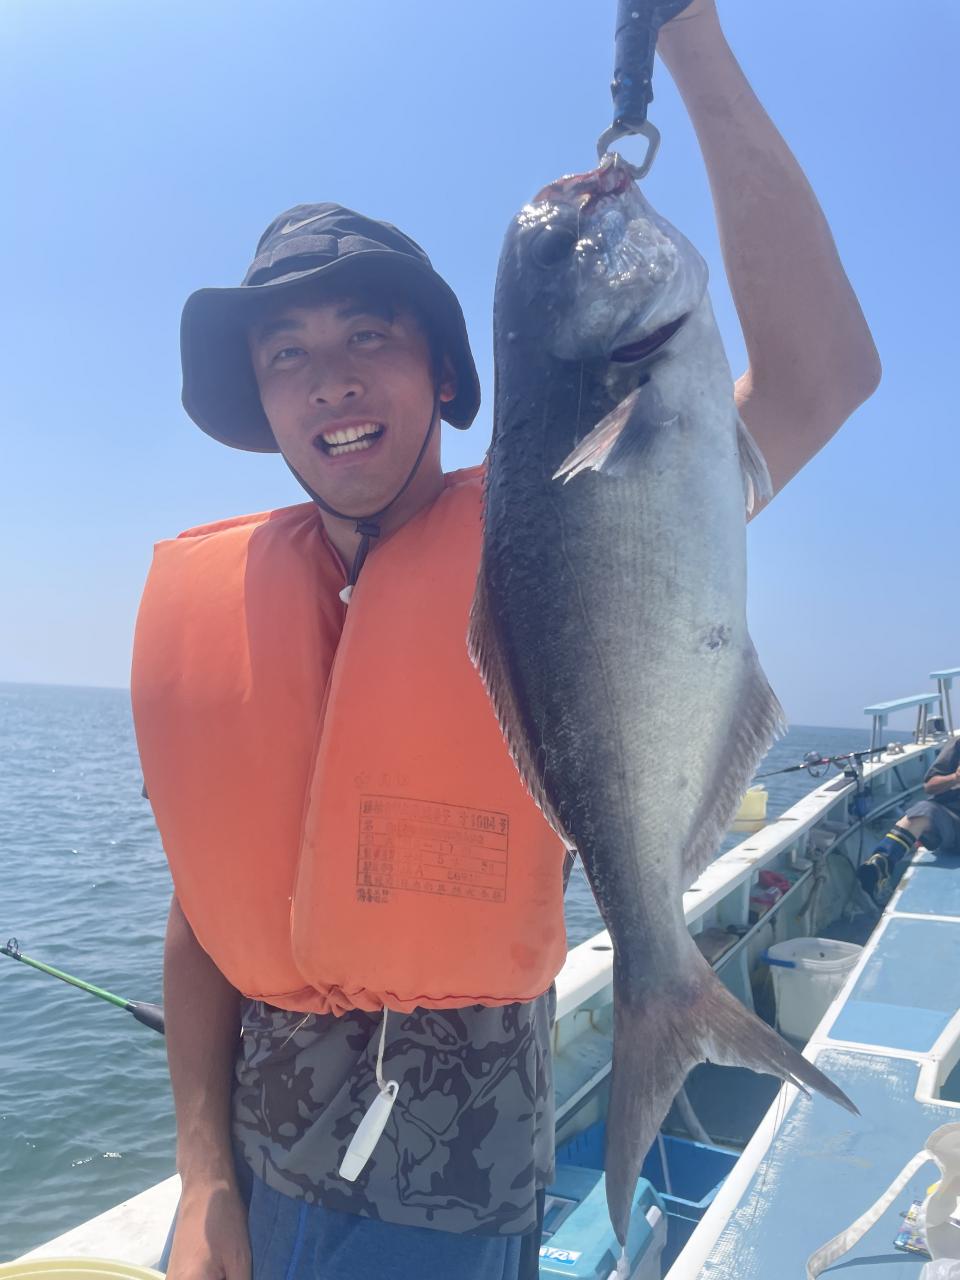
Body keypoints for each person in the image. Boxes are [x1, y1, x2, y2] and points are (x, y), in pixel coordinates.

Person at [135, 3, 880, 1277]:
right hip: (245, 1197)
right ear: (262, 403)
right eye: (287, 353)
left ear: (444, 371)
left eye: (368, 333)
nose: (331, 378)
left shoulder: (562, 515)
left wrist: (688, 40)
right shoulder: (236, 593)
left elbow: (823, 374)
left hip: (454, 1205)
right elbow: (207, 909)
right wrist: (204, 1178)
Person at [858, 736, 960, 899]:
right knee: (923, 811)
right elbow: (930, 786)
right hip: (954, 823)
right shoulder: (957, 745)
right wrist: (954, 778)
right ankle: (880, 865)